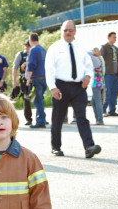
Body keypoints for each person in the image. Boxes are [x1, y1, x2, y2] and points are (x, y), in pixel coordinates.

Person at [45, 20, 101, 158]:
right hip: (61, 86)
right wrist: (53, 88)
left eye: (70, 30)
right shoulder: (54, 48)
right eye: (65, 30)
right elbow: (49, 69)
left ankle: (89, 146)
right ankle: (56, 147)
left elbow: (88, 66)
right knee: (58, 118)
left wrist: (88, 77)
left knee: (82, 117)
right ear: (61, 31)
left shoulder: (80, 47)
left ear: (75, 31)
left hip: (78, 87)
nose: (68, 33)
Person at [26, 33, 48, 128]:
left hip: (36, 78)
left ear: (30, 40)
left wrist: (28, 79)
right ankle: (42, 119)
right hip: (44, 78)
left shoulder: (33, 50)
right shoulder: (44, 50)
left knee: (37, 101)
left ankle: (40, 121)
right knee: (40, 100)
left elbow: (32, 65)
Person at [100, 32, 118, 116]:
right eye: (113, 37)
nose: (115, 39)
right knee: (107, 92)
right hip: (108, 73)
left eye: (115, 37)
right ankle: (103, 110)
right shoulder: (104, 47)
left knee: (115, 92)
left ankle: (112, 110)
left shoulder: (116, 48)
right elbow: (100, 60)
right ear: (108, 37)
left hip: (115, 73)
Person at [12, 39, 32, 125]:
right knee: (26, 98)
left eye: (28, 46)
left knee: (38, 98)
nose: (27, 47)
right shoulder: (20, 54)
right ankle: (29, 119)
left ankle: (41, 117)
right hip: (24, 79)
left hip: (34, 79)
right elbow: (15, 68)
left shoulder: (34, 54)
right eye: (26, 46)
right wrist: (14, 81)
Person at [88, 47, 105, 125]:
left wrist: (92, 53)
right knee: (94, 101)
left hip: (96, 83)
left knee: (97, 101)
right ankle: (98, 118)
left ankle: (99, 119)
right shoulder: (101, 60)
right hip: (100, 82)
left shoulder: (95, 59)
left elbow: (86, 53)